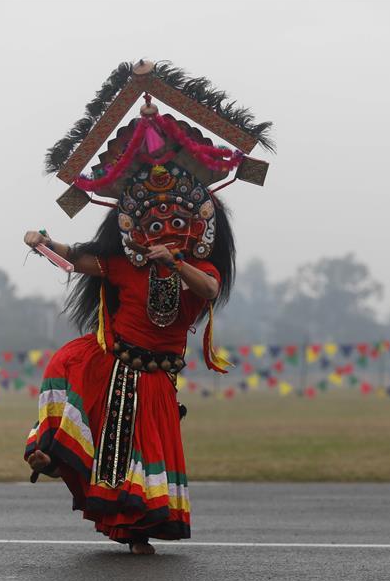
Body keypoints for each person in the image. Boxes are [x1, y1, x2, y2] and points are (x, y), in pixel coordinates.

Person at [23, 60, 272, 554]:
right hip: (114, 362)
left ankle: (136, 532)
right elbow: (80, 259)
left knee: (139, 456)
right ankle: (51, 451)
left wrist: (175, 262)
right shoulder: (122, 262)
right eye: (153, 221)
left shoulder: (200, 267)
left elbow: (208, 289)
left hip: (156, 378)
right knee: (66, 364)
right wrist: (45, 242)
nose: (163, 226)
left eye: (176, 219)